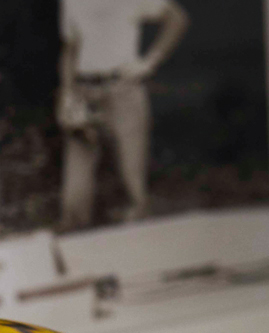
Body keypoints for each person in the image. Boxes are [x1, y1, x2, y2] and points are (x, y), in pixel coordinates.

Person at [57, 0, 188, 229]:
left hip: (122, 89)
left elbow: (176, 18)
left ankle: (139, 233)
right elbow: (70, 48)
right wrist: (67, 94)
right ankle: (76, 235)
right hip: (84, 90)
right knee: (74, 197)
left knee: (133, 182)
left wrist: (149, 62)